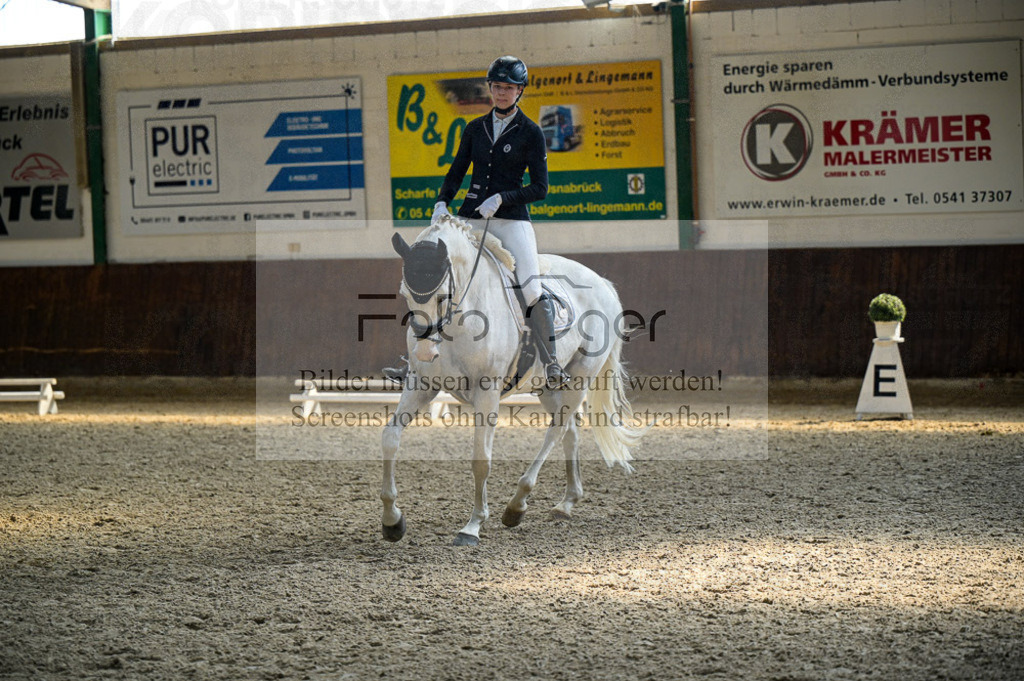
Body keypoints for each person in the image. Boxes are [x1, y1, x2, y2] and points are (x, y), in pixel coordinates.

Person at [385, 55, 570, 389]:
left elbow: (541, 188)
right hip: (471, 217)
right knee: (437, 275)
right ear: (490, 88)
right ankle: (416, 362)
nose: (501, 93)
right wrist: (442, 201)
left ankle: (552, 362)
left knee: (530, 288)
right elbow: (457, 170)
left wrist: (502, 198)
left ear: (519, 91)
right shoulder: (474, 128)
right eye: (497, 87)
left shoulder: (531, 132)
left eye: (508, 88)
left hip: (511, 221)